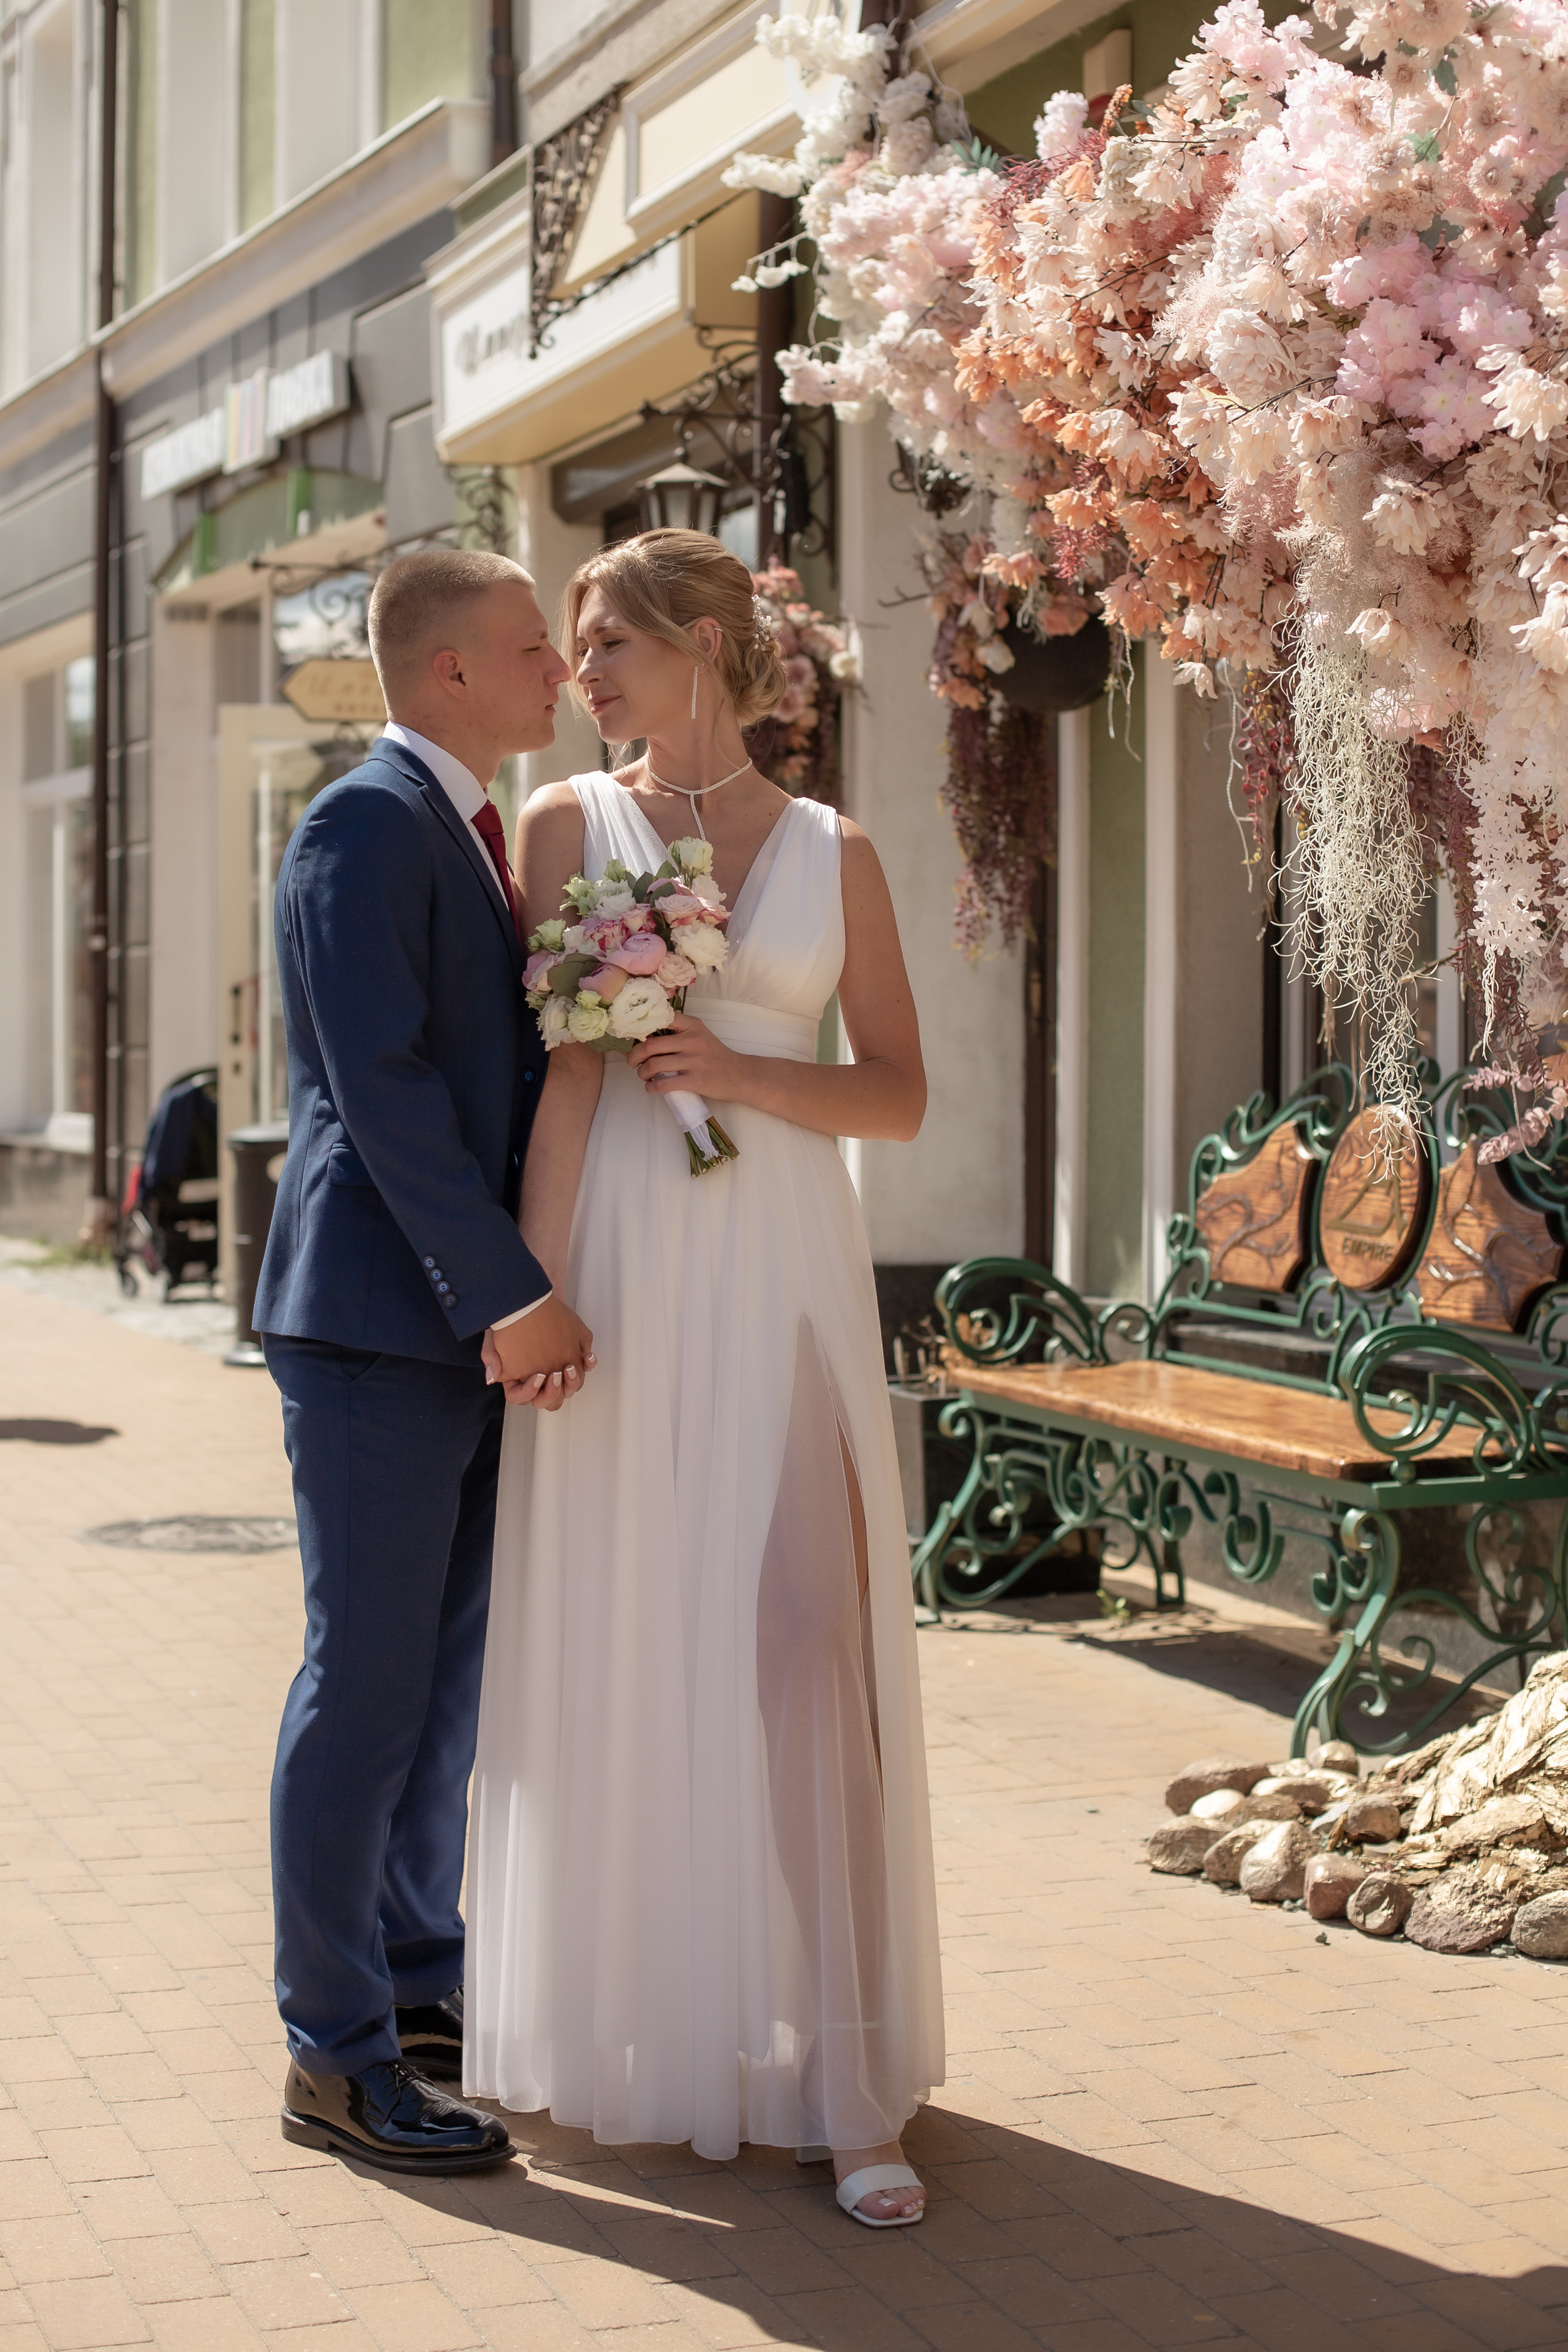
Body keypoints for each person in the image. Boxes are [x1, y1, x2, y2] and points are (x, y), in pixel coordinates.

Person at [466, 528, 946, 2226]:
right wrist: (526, 1298)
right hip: (625, 1268)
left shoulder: (837, 850)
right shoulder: (559, 830)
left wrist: (745, 1069)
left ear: (706, 646)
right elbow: (573, 1094)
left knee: (808, 1644)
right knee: (634, 1637)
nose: (580, 674)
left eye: (606, 641)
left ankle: (851, 2073)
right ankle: (665, 2031)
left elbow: (894, 1095)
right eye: (575, 645)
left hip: (789, 1274)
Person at [254, 548, 595, 2176]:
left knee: (438, 1687)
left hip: (451, 1329)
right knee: (365, 1684)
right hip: (381, 1325)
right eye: (535, 647)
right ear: (450, 670)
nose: (561, 671)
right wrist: (506, 1295)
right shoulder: (362, 825)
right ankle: (332, 2057)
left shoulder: (466, 832)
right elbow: (381, 1093)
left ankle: (413, 1984)